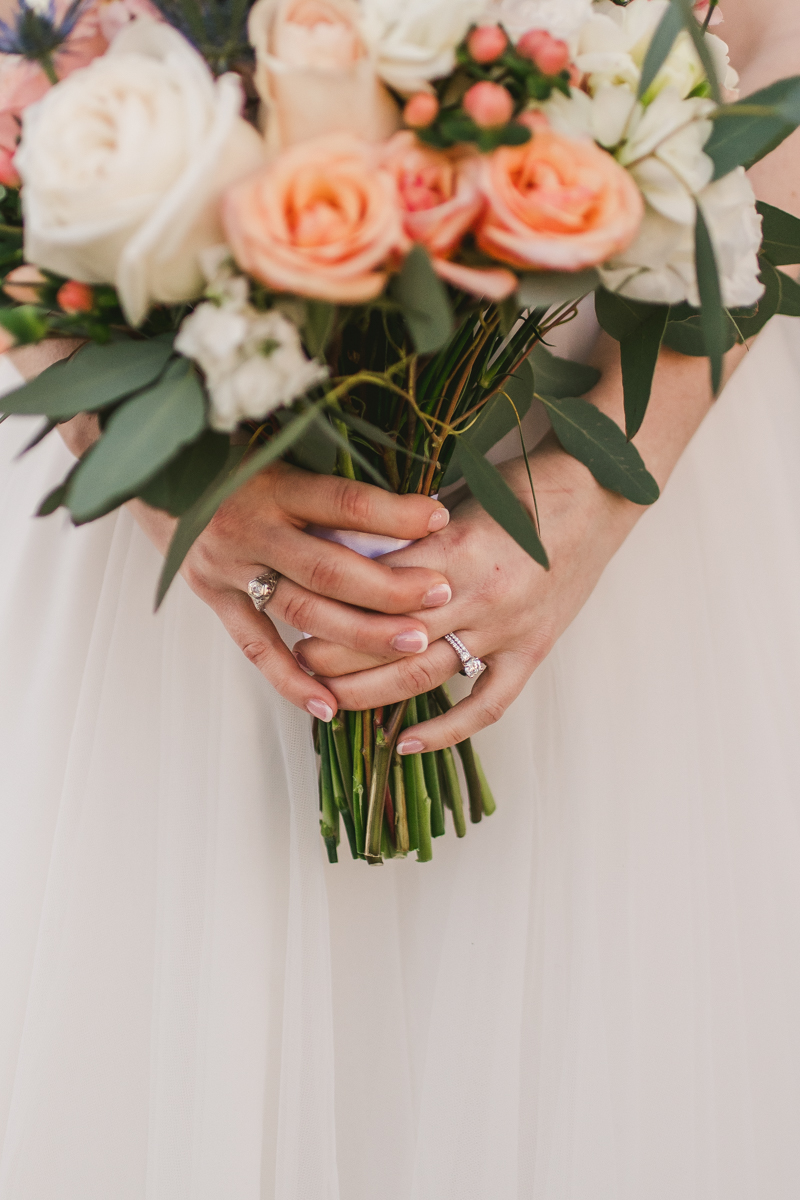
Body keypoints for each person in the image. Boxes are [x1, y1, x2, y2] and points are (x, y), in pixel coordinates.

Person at [2, 1, 800, 1195]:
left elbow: (777, 53)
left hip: (606, 402)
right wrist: (152, 469)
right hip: (170, 379)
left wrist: (592, 502)